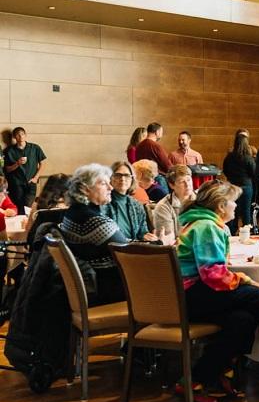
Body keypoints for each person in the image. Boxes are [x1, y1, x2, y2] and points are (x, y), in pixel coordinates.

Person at [175, 181, 259, 402]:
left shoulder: (198, 223)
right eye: (233, 202)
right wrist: (247, 281)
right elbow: (214, 275)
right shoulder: (207, 227)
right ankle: (226, 365)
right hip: (194, 295)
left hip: (191, 296)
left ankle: (201, 376)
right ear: (220, 205)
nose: (236, 206)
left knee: (242, 319)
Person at [59, 164, 128, 304]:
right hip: (108, 291)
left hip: (95, 285)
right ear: (85, 189)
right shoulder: (93, 220)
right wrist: (159, 242)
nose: (111, 188)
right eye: (103, 183)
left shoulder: (73, 212)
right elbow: (128, 251)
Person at [102, 162, 153, 242]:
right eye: (118, 175)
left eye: (126, 175)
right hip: (113, 250)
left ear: (132, 179)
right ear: (110, 178)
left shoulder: (137, 205)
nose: (122, 179)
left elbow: (142, 232)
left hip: (134, 249)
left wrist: (148, 237)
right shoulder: (103, 203)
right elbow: (108, 236)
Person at [3, 127, 46, 212]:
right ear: (14, 137)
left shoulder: (35, 148)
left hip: (31, 182)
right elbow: (7, 169)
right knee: (19, 207)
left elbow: (42, 163)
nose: (21, 136)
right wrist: (17, 163)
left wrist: (36, 178)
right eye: (18, 135)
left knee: (28, 205)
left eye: (22, 134)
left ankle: (27, 224)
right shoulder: (9, 151)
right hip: (16, 183)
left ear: (25, 135)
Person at [222, 131, 257, 231]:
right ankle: (247, 231)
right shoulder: (248, 158)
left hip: (232, 186)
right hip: (246, 187)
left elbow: (225, 170)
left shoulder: (229, 157)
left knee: (233, 210)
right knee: (246, 211)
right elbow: (253, 173)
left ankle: (232, 232)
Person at [152, 165, 194, 243]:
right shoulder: (163, 207)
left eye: (188, 180)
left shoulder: (201, 200)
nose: (187, 185)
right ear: (172, 185)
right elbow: (169, 239)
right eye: (182, 182)